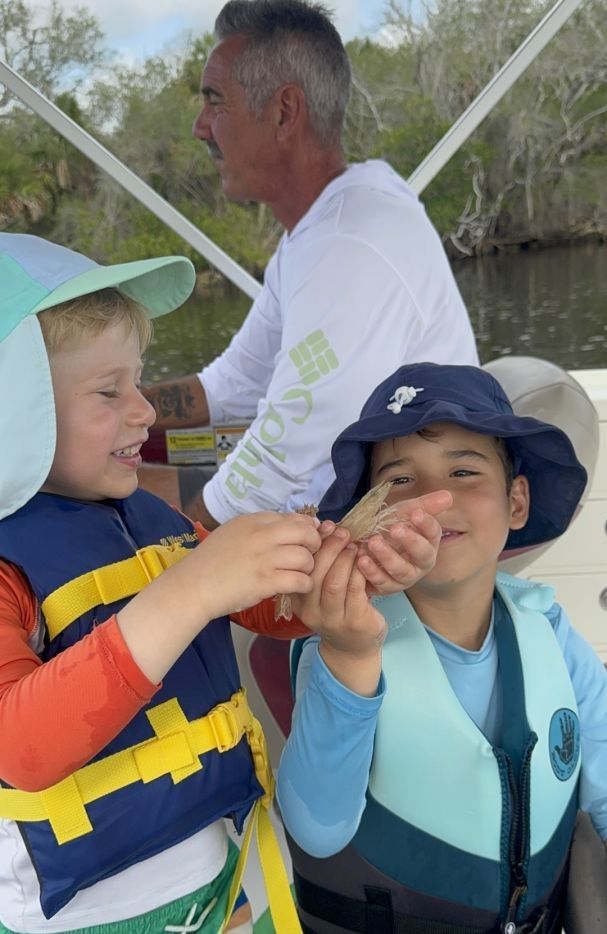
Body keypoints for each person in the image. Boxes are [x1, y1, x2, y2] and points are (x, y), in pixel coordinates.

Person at [0, 235, 448, 934]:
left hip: (227, 876)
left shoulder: (146, 516)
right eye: (109, 392)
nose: (145, 411)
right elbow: (19, 748)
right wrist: (191, 589)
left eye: (139, 381)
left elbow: (264, 605)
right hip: (88, 917)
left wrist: (340, 569)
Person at [276, 362, 607, 933]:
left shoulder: (551, 634)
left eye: (464, 470)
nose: (434, 499)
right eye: (399, 482)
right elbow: (316, 828)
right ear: (366, 520)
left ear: (517, 502)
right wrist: (350, 653)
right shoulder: (339, 648)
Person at [140, 0, 479, 530]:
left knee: (110, 504)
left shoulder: (349, 245)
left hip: (396, 535)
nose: (200, 127)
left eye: (215, 102)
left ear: (283, 113)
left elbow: (284, 460)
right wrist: (110, 410)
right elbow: (234, 383)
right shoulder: (321, 229)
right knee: (111, 482)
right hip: (345, 499)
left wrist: (176, 549)